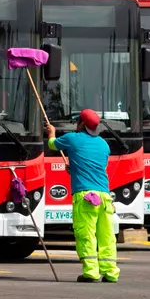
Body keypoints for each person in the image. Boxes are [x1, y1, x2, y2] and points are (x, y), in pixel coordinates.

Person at [46, 108, 118, 283]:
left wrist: (51, 133)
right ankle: (110, 272)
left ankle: (91, 272)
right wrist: (75, 168)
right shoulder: (104, 144)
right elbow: (94, 166)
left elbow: (52, 145)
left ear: (81, 124)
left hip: (85, 197)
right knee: (106, 236)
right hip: (105, 197)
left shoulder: (72, 139)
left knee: (86, 235)